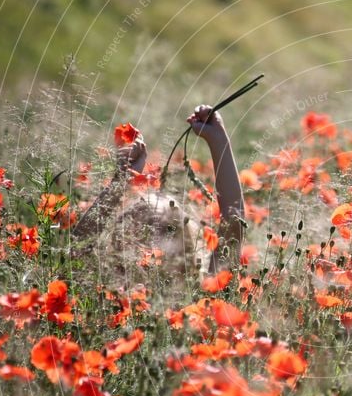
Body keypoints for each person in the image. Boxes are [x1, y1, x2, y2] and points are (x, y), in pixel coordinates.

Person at [72, 105, 244, 283]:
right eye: (140, 228)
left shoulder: (203, 291)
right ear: (119, 242)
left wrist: (218, 139)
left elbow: (234, 223)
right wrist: (120, 181)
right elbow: (75, 252)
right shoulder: (106, 290)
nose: (152, 239)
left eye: (167, 229)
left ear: (187, 245)